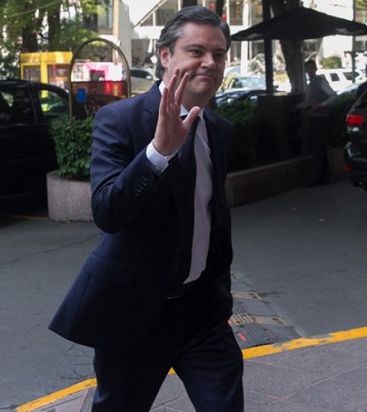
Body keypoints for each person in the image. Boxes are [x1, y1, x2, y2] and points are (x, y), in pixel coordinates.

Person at [49, 6, 244, 411]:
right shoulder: (120, 119)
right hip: (135, 314)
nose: (210, 63)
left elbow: (211, 216)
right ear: (165, 55)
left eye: (219, 54)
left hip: (203, 313)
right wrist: (158, 153)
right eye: (197, 51)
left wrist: (220, 292)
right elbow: (107, 212)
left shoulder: (220, 130)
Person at [298, 59, 337, 186]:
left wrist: (321, 105)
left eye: (312, 68)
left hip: (320, 117)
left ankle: (317, 177)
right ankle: (324, 175)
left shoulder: (320, 81)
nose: (310, 70)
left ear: (315, 69)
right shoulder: (310, 84)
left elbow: (333, 96)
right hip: (313, 116)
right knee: (320, 147)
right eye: (308, 68)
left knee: (317, 147)